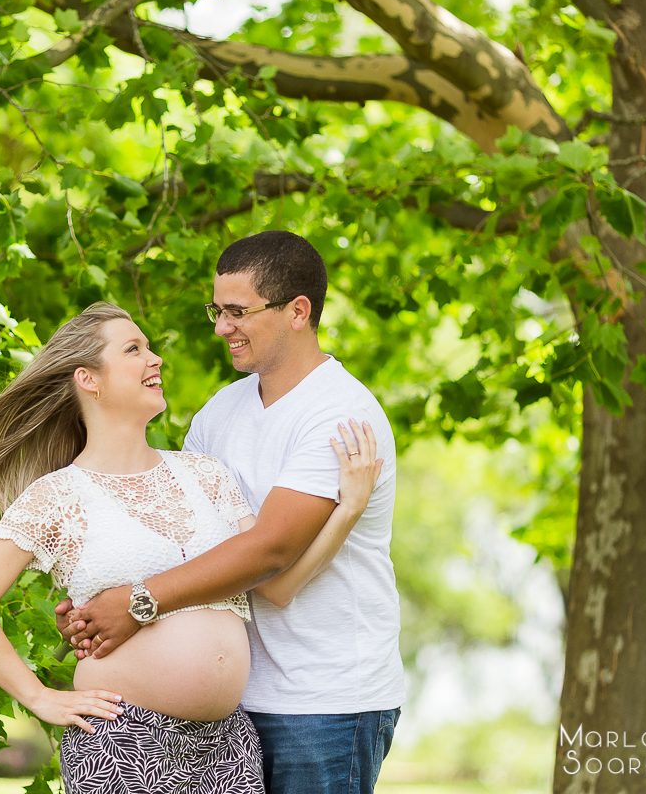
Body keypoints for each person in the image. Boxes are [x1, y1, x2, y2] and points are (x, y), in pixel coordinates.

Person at [0, 301, 383, 794]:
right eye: (134, 349)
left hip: (228, 745)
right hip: (122, 741)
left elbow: (276, 584)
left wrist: (347, 513)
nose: (155, 360)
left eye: (150, 348)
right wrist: (39, 696)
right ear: (90, 379)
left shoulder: (206, 474)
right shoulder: (57, 496)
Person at [63, 231, 404, 794]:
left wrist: (138, 602)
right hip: (234, 714)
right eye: (216, 310)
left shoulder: (338, 416)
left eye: (238, 312)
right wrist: (95, 598)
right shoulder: (224, 409)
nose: (221, 327)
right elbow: (179, 530)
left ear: (298, 312)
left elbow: (269, 554)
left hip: (323, 703)